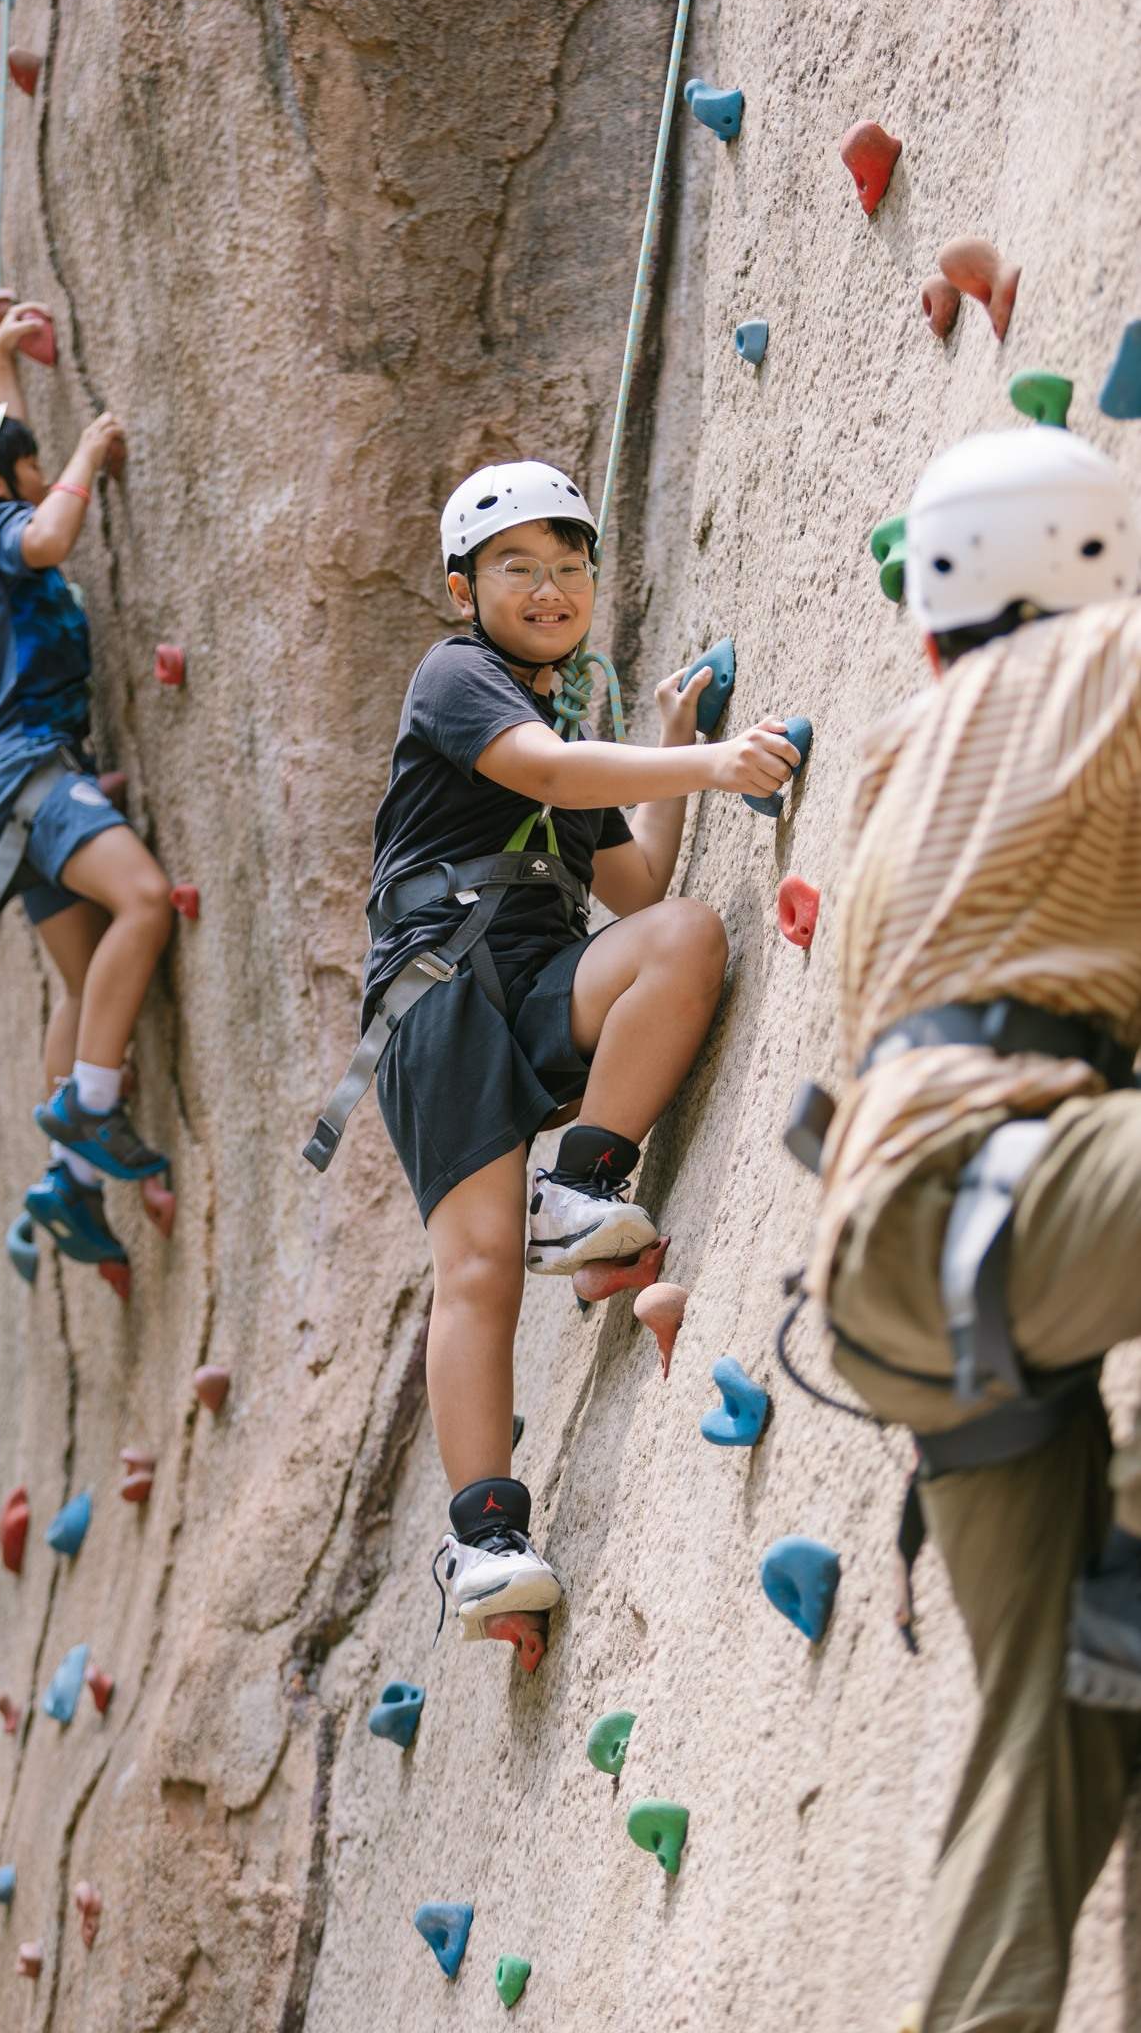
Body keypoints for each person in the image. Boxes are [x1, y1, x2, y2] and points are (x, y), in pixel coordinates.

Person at [322, 459, 800, 1647]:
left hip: (538, 983)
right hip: (436, 997)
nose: (550, 587)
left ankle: (579, 1186)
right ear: (463, 588)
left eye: (570, 565)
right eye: (518, 568)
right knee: (478, 1266)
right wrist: (708, 761)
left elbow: (638, 882)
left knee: (683, 938)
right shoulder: (458, 679)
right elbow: (539, 771)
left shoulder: (565, 734)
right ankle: (485, 1540)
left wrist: (676, 738)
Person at [798, 426, 1141, 2031]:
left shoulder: (898, 771)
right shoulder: (1103, 665)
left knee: (1040, 1750)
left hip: (887, 1287)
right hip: (998, 1193)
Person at [0, 303, 173, 1268]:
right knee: (144, 901)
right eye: (28, 464)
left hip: (0, 792)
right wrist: (88, 454)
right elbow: (48, 533)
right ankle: (89, 1107)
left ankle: (69, 1184)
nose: (41, 465)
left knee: (84, 981)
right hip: (27, 772)